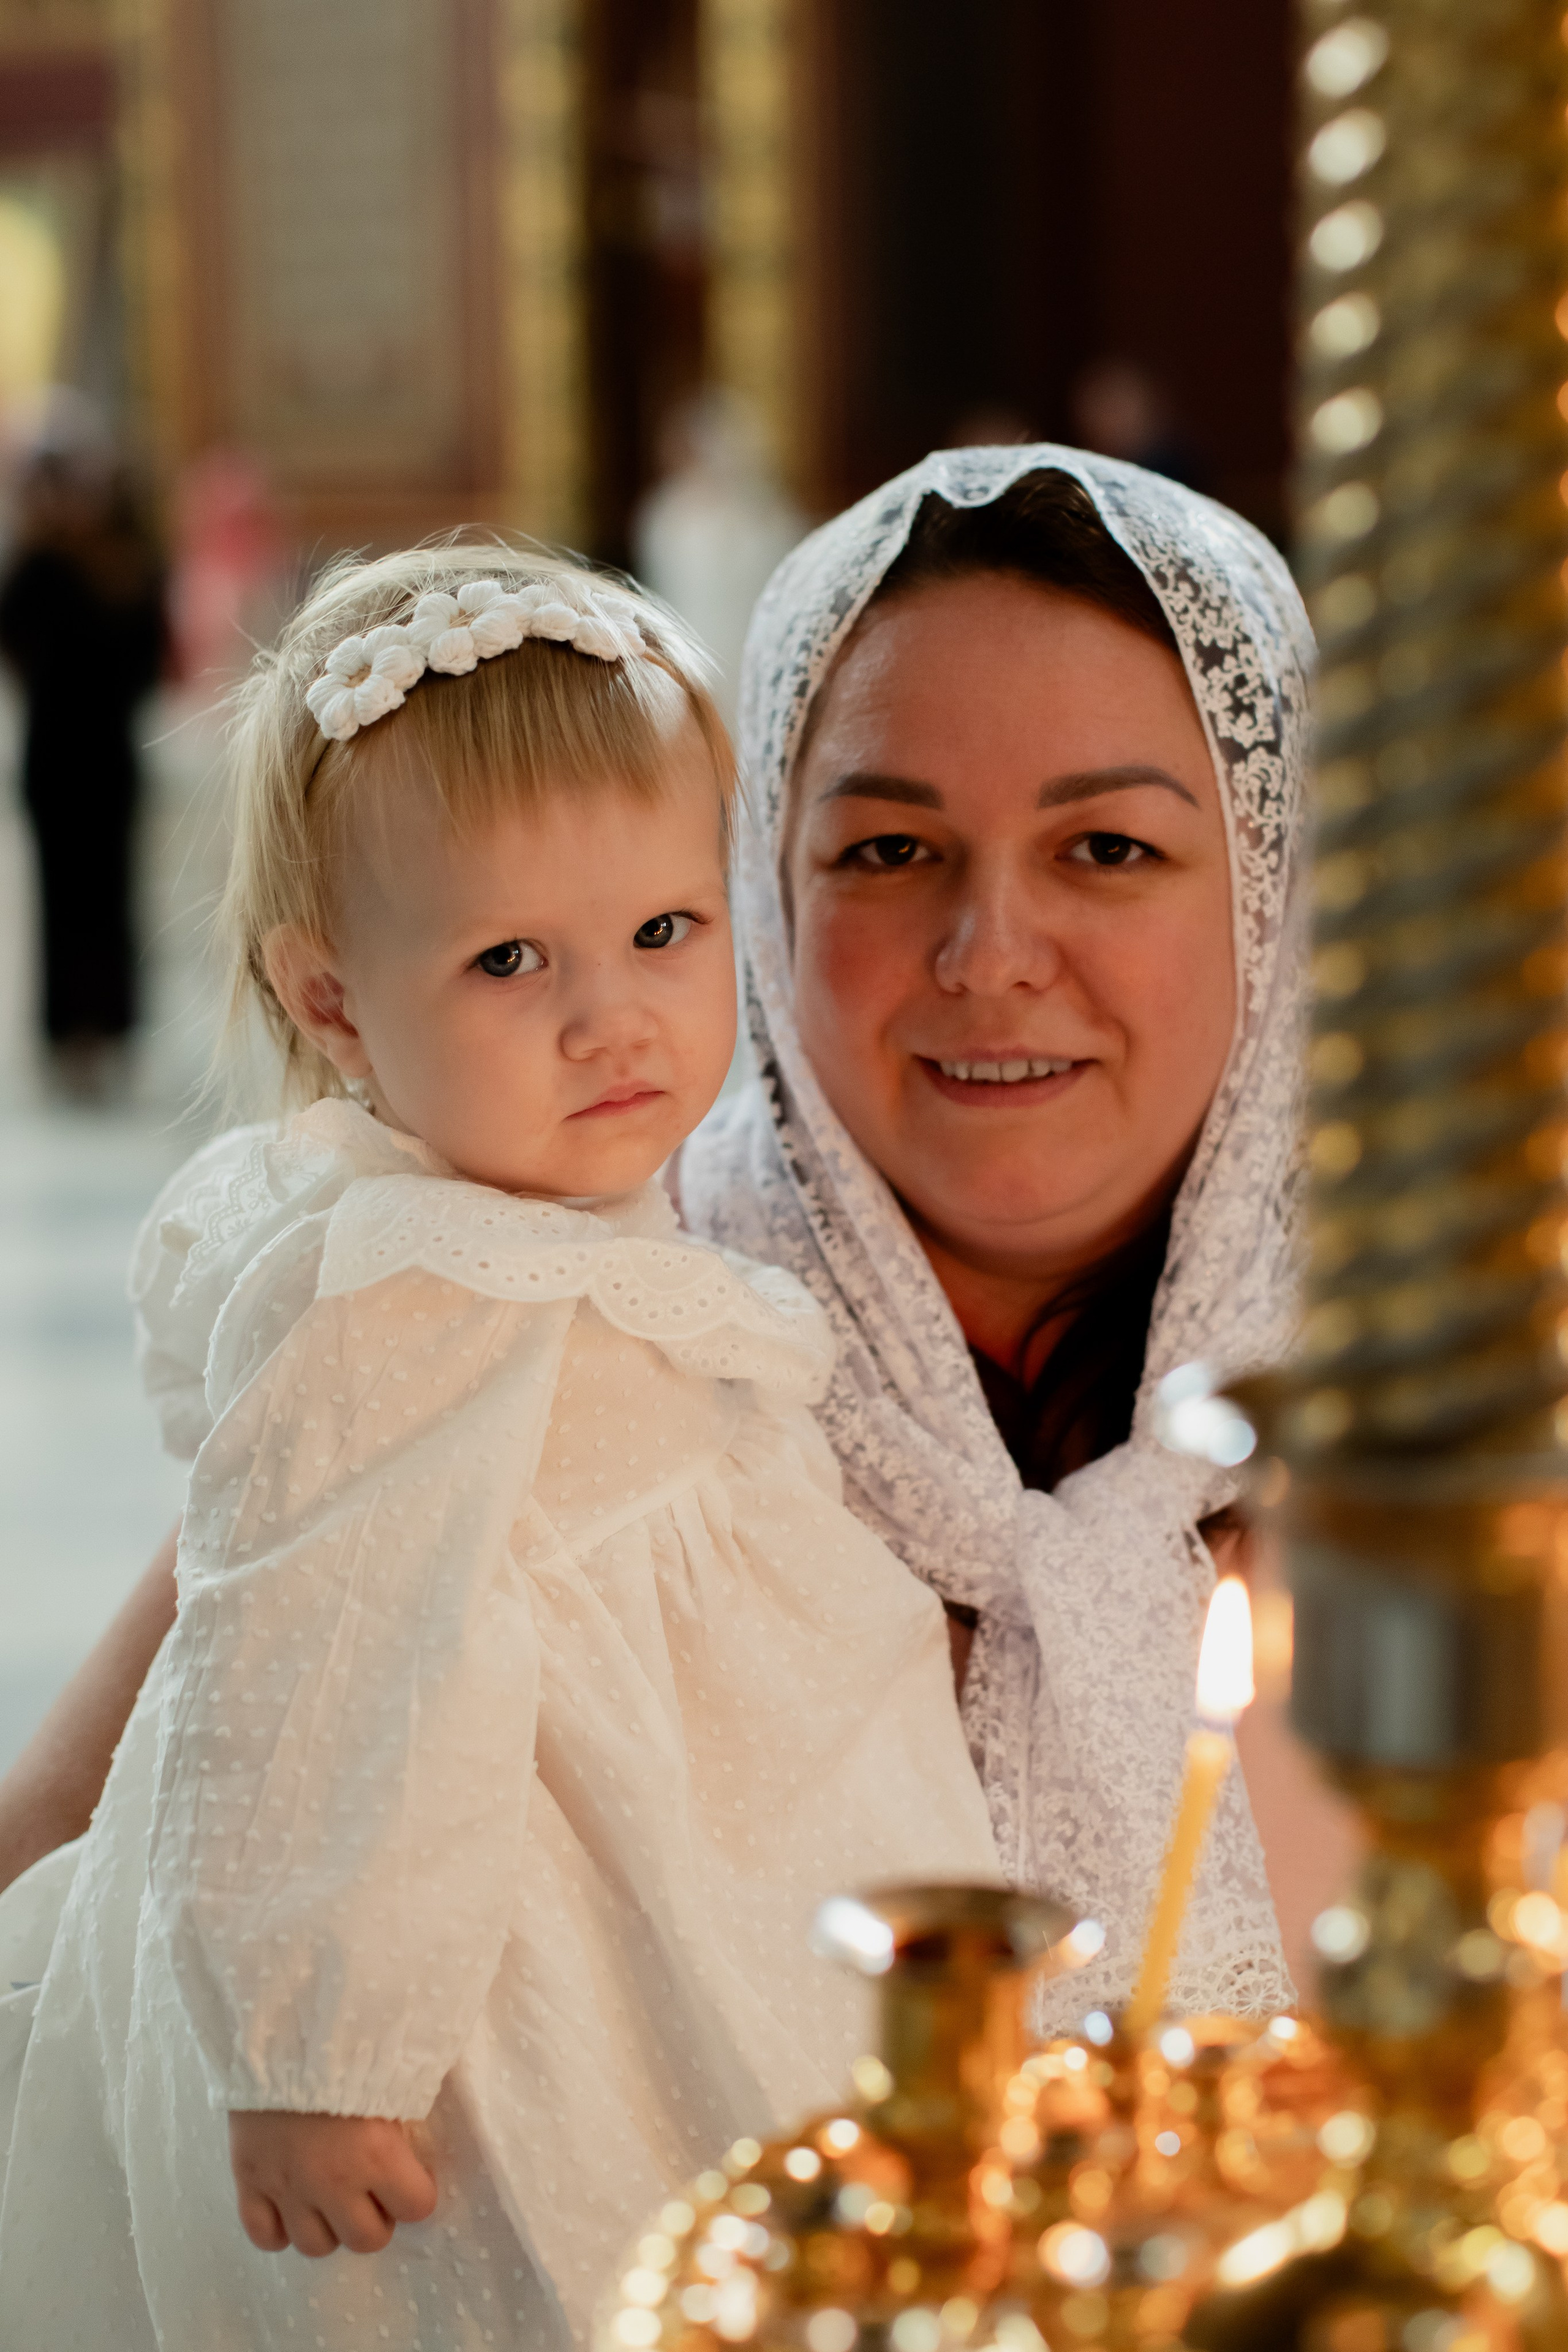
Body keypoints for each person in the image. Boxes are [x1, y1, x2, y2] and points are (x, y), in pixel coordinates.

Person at [0, 443, 1332, 2003]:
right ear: (760, 892)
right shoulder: (540, 1323)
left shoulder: (1447, 1411)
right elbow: (63, 1864)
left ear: (1269, 892)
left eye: (1105, 848)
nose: (988, 955)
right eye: (887, 850)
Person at [0, 546, 998, 2349]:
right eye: (506, 957)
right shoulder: (411, 1284)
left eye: (662, 933)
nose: (608, 1013)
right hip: (479, 1948)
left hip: (673, 1819)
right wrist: (317, 2042)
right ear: (330, 1002)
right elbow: (322, 1648)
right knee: (561, 2233)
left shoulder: (541, 1203)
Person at [0, 443, 166, 1093]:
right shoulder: (41, 567)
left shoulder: (130, 570)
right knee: (61, 900)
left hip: (105, 758)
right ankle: (67, 1033)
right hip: (56, 758)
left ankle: (112, 1028)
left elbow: (149, 663)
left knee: (112, 897)